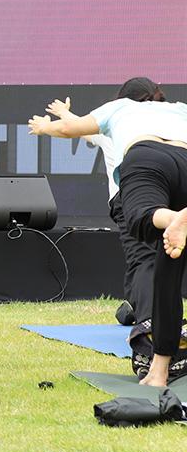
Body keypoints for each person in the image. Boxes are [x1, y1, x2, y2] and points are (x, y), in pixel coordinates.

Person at [28, 87, 187, 387]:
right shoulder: (180, 109)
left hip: (149, 159)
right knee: (170, 263)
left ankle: (158, 371)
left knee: (143, 220)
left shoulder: (120, 108)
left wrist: (45, 126)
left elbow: (70, 128)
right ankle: (159, 369)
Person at [47, 79, 166, 326]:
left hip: (138, 198)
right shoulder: (160, 120)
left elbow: (76, 129)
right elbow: (80, 129)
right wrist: (64, 115)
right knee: (147, 255)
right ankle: (145, 317)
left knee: (145, 256)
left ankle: (140, 311)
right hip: (151, 196)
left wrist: (63, 115)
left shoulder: (113, 122)